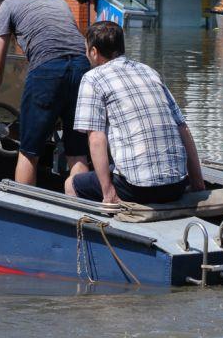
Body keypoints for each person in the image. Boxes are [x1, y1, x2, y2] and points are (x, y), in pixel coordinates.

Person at [0, 0, 91, 186]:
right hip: (83, 69)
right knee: (77, 151)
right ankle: (84, 210)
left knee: (29, 151)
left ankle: (23, 210)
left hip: (47, 69)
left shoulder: (9, 6)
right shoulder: (57, 0)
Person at [66, 20, 205, 205]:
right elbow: (183, 128)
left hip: (137, 189)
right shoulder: (149, 71)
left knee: (72, 184)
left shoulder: (93, 78)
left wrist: (108, 193)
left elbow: (96, 139)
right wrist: (197, 182)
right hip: (177, 185)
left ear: (93, 52)